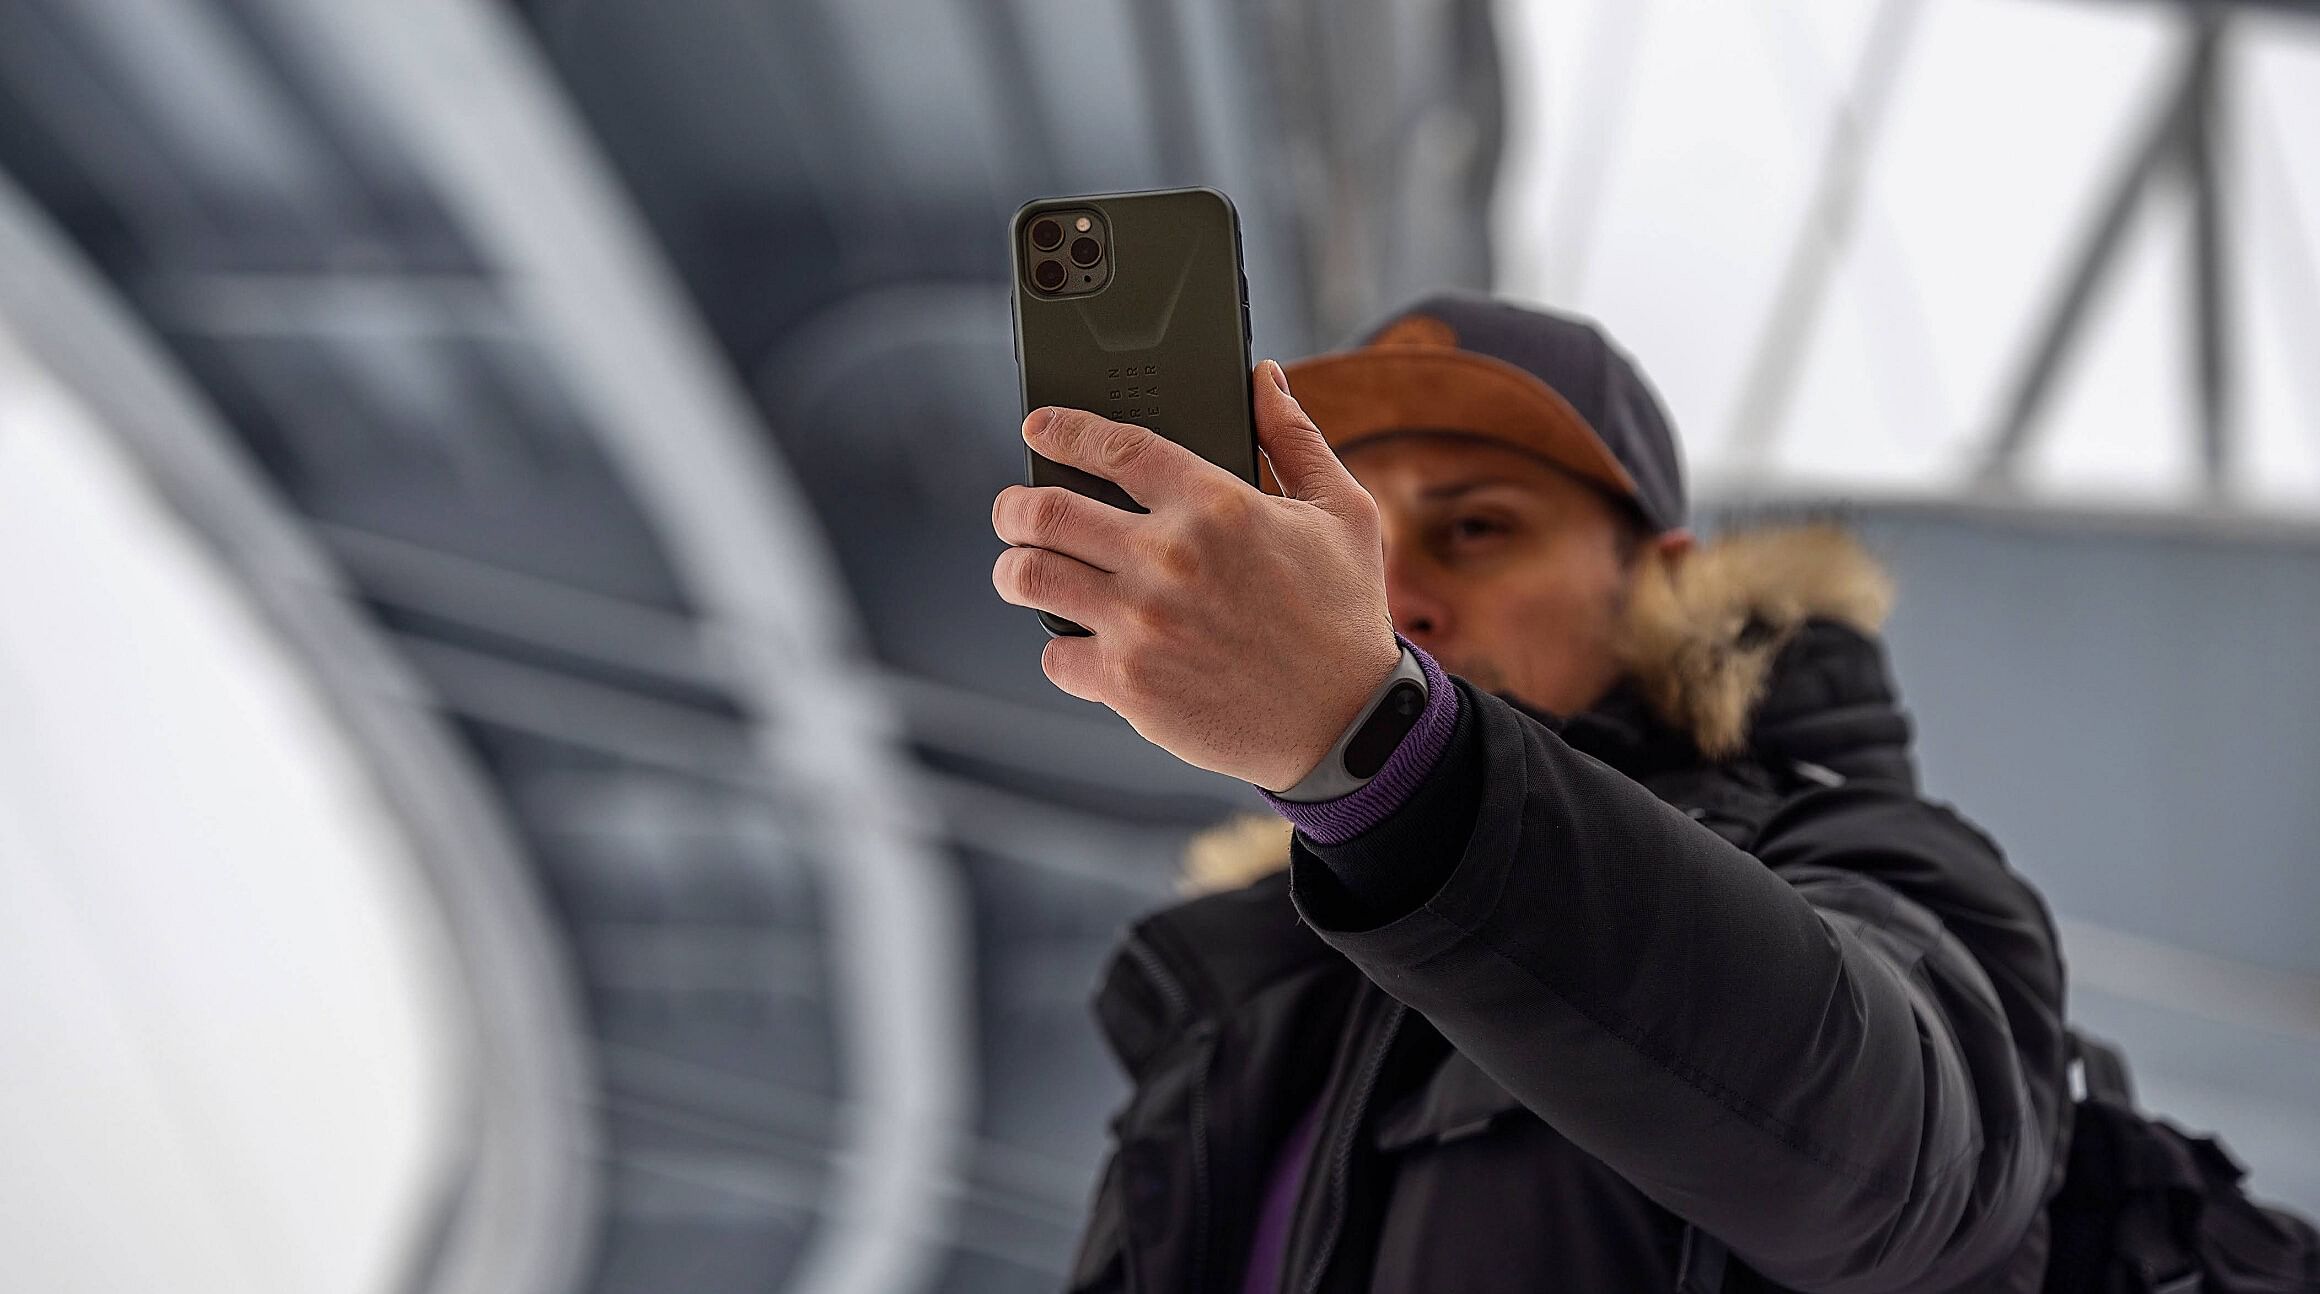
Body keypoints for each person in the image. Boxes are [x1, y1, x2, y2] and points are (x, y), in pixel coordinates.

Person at [989, 294, 2068, 1292]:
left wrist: (1373, 743)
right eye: (1345, 542)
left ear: (1659, 574)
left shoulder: (1860, 856)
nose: (1389, 596)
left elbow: (1901, 1165)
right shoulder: (1239, 1005)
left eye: (1476, 529)